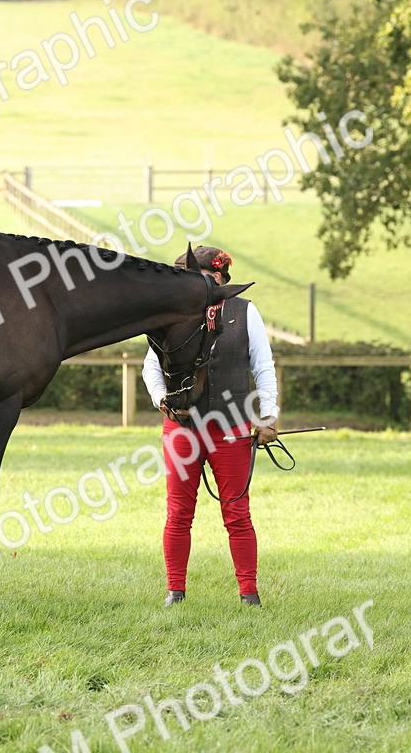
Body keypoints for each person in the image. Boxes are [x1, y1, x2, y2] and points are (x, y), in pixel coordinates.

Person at [142, 246, 280, 608]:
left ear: (217, 278)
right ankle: (175, 591)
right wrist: (161, 398)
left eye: (197, 276)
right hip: (182, 428)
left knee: (237, 513)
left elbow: (263, 367)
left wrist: (268, 416)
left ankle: (249, 593)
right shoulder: (174, 312)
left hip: (231, 428)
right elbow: (151, 366)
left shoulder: (246, 312)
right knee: (178, 513)